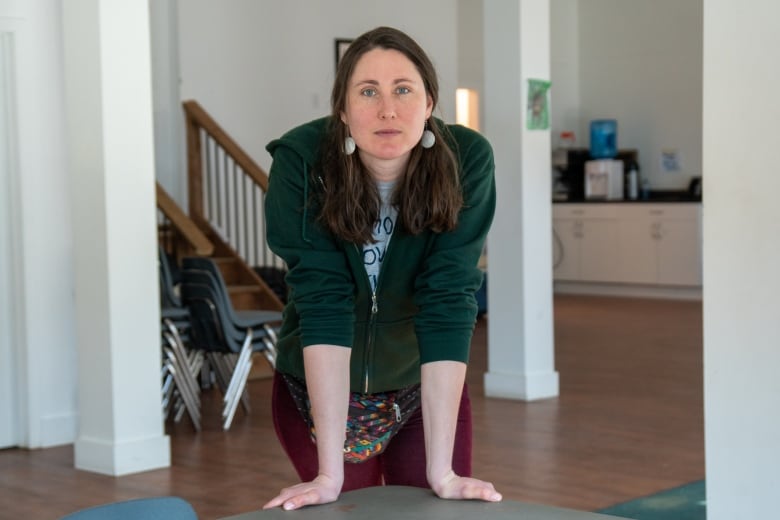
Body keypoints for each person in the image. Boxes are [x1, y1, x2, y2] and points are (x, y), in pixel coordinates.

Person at [262, 26, 500, 511]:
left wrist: (444, 471)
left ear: (429, 102)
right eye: (368, 91)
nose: (387, 109)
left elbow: (449, 299)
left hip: (418, 386)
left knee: (436, 506)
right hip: (318, 391)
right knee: (348, 510)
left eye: (403, 90)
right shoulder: (303, 161)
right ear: (344, 111)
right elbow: (322, 301)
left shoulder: (468, 161)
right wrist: (328, 475)